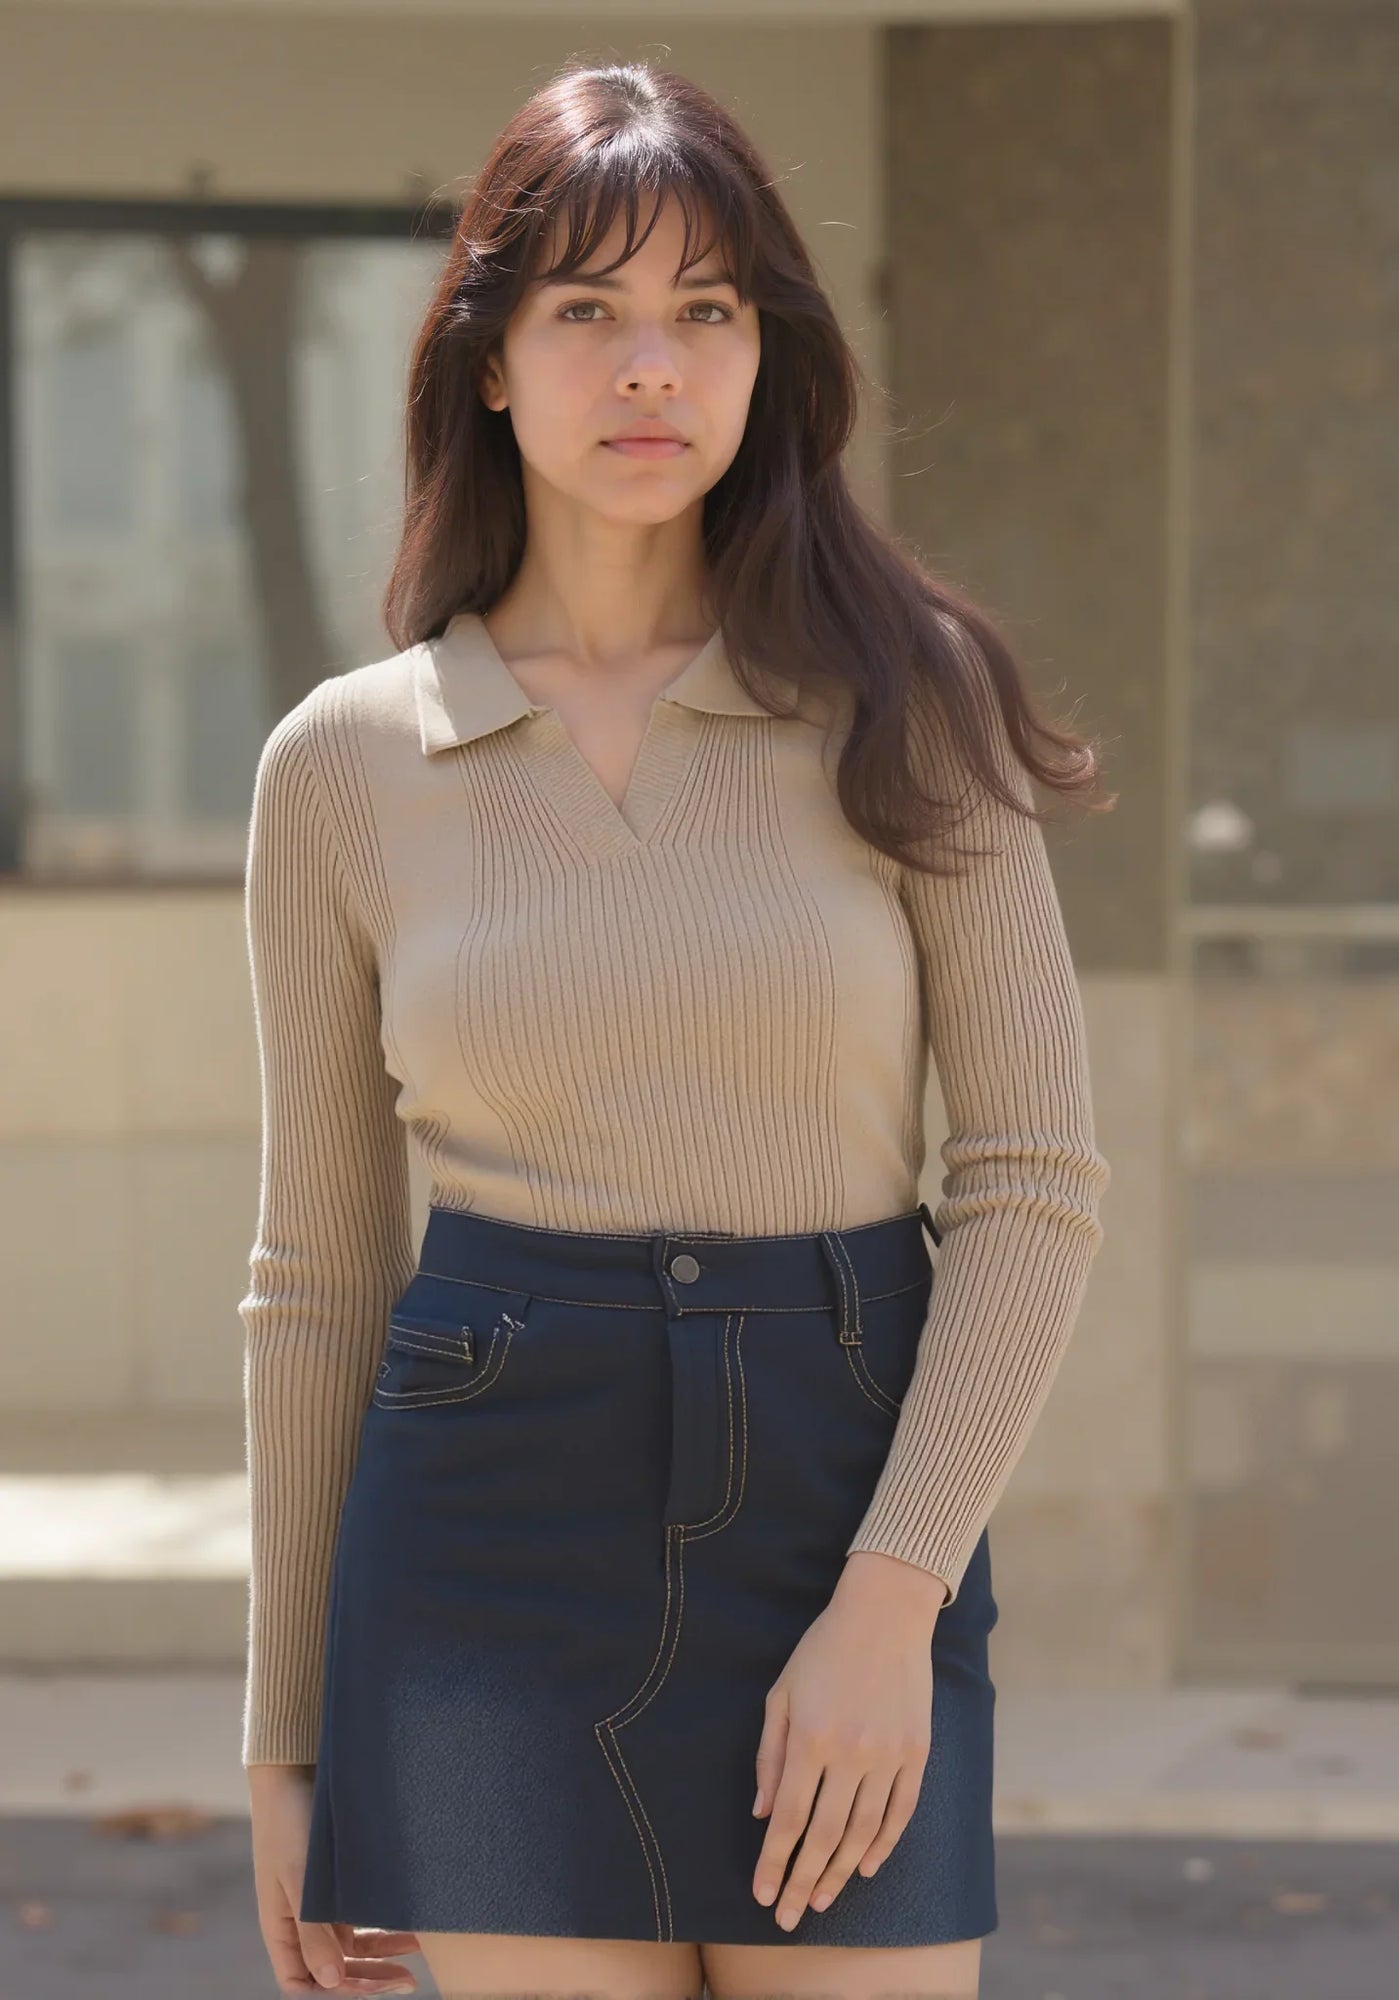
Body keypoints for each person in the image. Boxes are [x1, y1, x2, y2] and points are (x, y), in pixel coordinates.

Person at [239, 57, 1113, 2000]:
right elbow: (314, 1276)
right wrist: (287, 1741)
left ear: (765, 356)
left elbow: (1037, 1183)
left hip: (842, 1478)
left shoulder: (911, 697)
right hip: (484, 1519)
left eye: (705, 313)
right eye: (590, 312)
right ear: (488, 360)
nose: (653, 366)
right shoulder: (347, 766)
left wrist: (895, 1601)